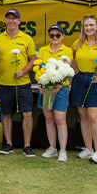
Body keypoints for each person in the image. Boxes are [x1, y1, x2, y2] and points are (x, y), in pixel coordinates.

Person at [0, 9, 37, 157]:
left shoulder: (27, 38)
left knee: (27, 114)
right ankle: (8, 144)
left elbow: (33, 59)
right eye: (9, 18)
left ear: (19, 21)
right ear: (5, 21)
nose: (11, 21)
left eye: (14, 18)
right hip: (4, 84)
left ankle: (27, 146)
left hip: (23, 84)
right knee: (6, 114)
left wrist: (24, 71)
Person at [70, 14, 97, 164]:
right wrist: (74, 68)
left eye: (91, 25)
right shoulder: (77, 43)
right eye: (86, 25)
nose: (88, 28)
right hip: (80, 80)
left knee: (94, 117)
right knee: (83, 116)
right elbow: (73, 59)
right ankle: (88, 148)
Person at [35, 24, 74, 162]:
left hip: (61, 88)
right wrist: (40, 84)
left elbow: (67, 70)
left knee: (60, 119)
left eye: (58, 35)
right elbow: (38, 69)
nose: (55, 37)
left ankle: (63, 150)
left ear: (63, 36)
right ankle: (52, 148)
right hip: (45, 88)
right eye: (52, 35)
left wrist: (59, 85)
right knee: (49, 119)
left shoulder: (68, 50)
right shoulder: (43, 50)